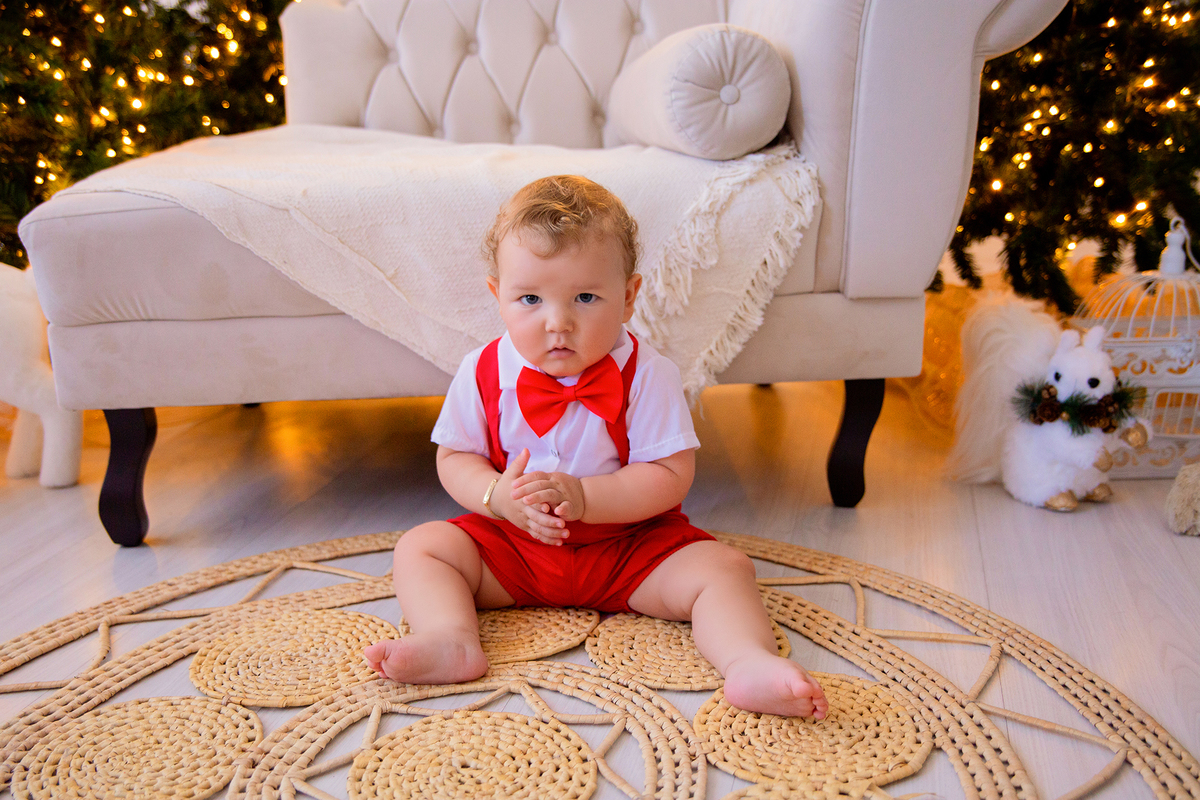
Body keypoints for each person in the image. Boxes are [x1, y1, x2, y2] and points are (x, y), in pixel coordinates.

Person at [364, 175, 828, 719]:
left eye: (585, 297)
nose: (557, 322)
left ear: (629, 297)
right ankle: (451, 638)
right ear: (498, 296)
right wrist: (496, 496)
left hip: (630, 550)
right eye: (530, 299)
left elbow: (669, 475)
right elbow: (454, 457)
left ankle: (747, 662)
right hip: (515, 546)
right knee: (422, 548)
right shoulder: (483, 370)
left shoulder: (647, 374)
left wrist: (586, 498)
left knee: (724, 569)